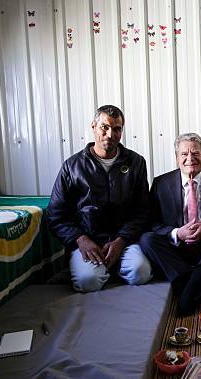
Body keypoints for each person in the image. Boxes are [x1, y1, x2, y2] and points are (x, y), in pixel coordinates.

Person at [47, 105, 152, 292]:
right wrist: (80, 239)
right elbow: (56, 214)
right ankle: (91, 268)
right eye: (105, 127)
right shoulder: (72, 166)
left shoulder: (136, 162)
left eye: (117, 129)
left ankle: (110, 267)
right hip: (88, 242)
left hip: (124, 240)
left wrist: (121, 240)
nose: (110, 134)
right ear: (93, 126)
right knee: (88, 282)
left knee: (140, 273)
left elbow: (142, 210)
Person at [139, 133, 201, 315]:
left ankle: (193, 284)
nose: (190, 158)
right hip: (176, 247)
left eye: (196, 153)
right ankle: (192, 283)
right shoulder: (160, 183)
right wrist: (176, 233)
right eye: (184, 154)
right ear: (176, 158)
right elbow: (151, 221)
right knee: (146, 239)